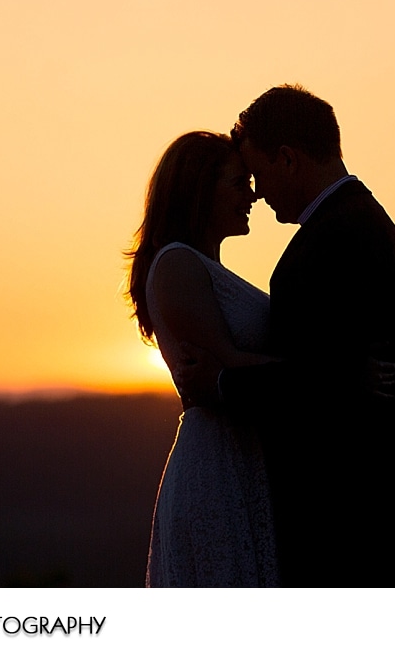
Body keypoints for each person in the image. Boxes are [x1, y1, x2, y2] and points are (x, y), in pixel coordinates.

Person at [175, 84, 395, 586]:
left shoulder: (332, 244)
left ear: (288, 159)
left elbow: (314, 386)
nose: (257, 191)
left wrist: (221, 383)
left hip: (346, 513)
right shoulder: (360, 224)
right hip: (369, 508)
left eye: (259, 173)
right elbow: (333, 372)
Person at [125, 130, 280, 587]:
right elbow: (226, 369)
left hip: (241, 457)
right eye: (237, 183)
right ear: (199, 190)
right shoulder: (176, 264)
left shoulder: (202, 267)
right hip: (217, 466)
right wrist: (337, 373)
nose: (251, 195)